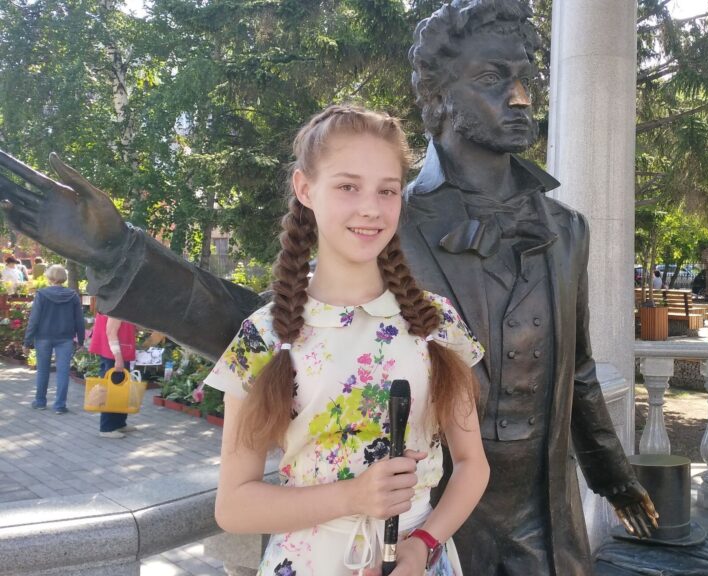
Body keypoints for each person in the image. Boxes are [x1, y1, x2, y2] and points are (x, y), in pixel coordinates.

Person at [0, 1, 656, 572]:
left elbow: (577, 371)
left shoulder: (565, 228)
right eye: (493, 78)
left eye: (527, 78)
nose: (521, 98)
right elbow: (276, 327)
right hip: (418, 530)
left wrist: (611, 474)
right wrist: (120, 254)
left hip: (546, 521)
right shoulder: (384, 219)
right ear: (438, 96)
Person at [206, 105, 489, 575]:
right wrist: (353, 496)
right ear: (305, 189)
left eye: (387, 190)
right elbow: (233, 506)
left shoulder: (435, 322)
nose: (371, 208)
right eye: (348, 187)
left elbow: (472, 464)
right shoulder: (264, 335)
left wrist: (423, 546)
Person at [23, 264, 85, 413]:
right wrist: (81, 340)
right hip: (65, 338)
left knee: (43, 370)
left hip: (43, 337)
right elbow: (79, 320)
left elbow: (34, 320)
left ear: (50, 277)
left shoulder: (42, 294)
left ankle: (40, 402)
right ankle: (60, 406)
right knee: (63, 372)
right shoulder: (73, 295)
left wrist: (27, 342)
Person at [88, 312, 138, 438]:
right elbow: (111, 332)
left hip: (118, 351)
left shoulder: (119, 305)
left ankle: (119, 423)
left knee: (121, 389)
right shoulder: (117, 308)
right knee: (111, 391)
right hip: (113, 354)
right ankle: (107, 428)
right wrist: (118, 358)